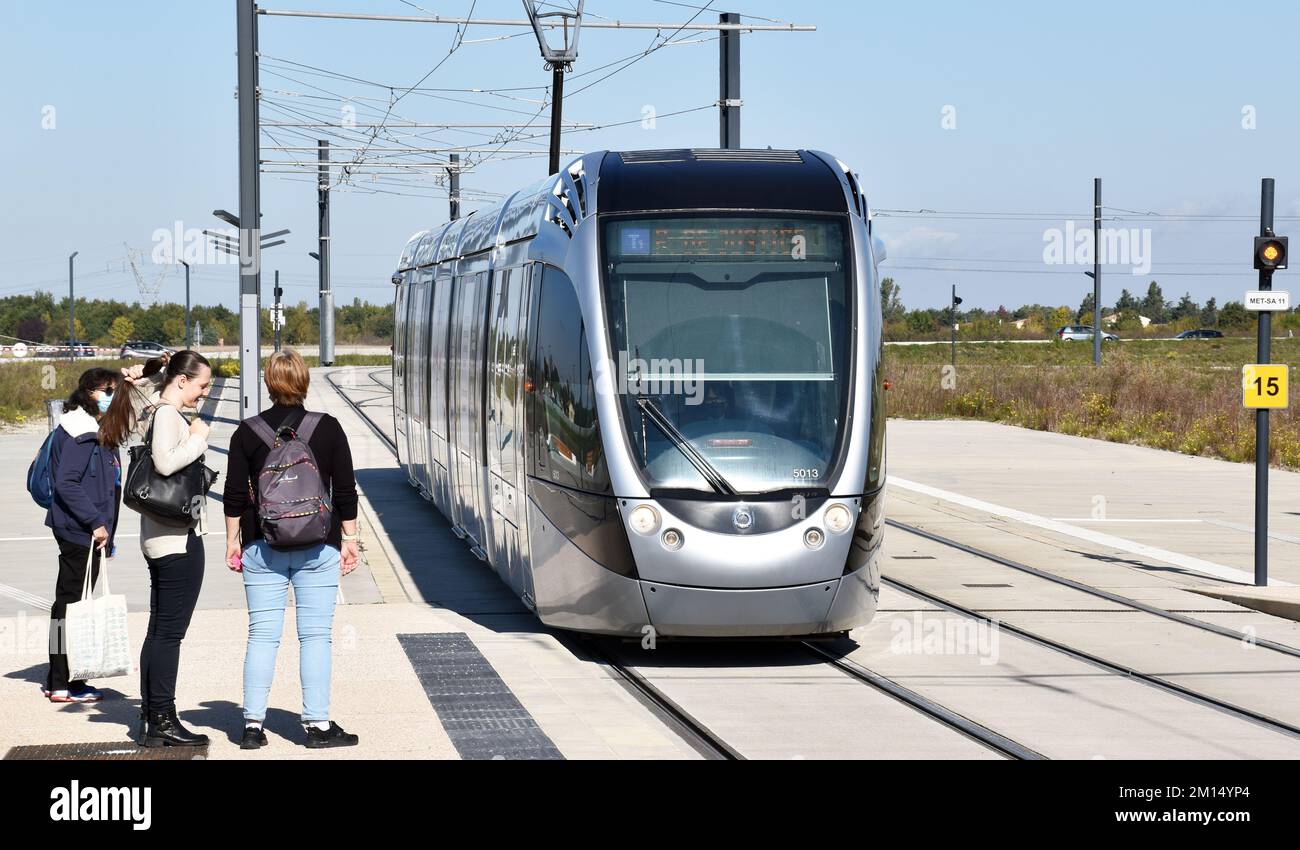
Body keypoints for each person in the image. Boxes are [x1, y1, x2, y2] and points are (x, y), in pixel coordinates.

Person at [223, 350, 361, 749]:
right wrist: (349, 540)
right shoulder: (329, 428)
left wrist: (233, 540)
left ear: (268, 383)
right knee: (315, 637)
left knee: (262, 637)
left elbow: (234, 496)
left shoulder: (246, 432)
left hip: (261, 545)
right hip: (319, 545)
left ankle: (252, 726)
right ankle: (317, 726)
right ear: (304, 382)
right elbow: (346, 492)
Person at [102, 350, 213, 747]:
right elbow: (166, 465)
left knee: (159, 631)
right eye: (201, 385)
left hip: (160, 536)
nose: (203, 393)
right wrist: (199, 439)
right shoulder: (167, 414)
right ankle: (163, 718)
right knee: (169, 634)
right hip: (176, 539)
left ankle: (153, 717)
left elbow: (143, 390)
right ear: (181, 381)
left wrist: (147, 372)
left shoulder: (152, 409)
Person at [43, 368, 124, 703]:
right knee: (71, 608)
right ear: (92, 391)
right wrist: (95, 522)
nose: (115, 396)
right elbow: (67, 483)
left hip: (83, 529)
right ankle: (64, 682)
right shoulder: (81, 430)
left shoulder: (89, 425)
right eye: (111, 390)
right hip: (78, 530)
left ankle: (60, 678)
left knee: (69, 604)